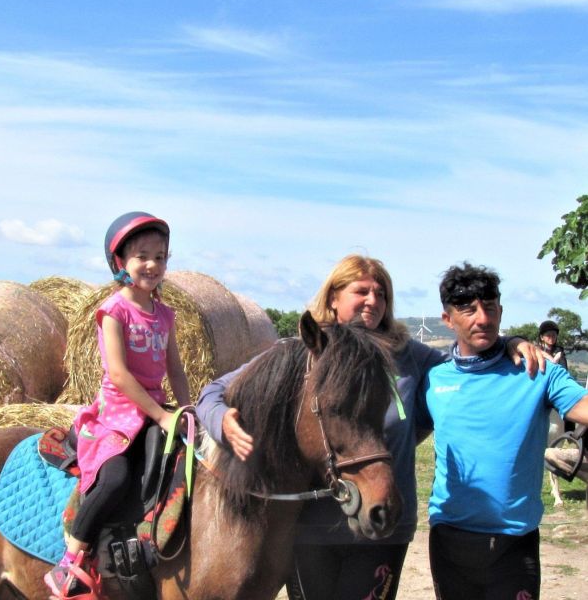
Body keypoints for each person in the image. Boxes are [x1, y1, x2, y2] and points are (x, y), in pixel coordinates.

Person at [196, 254, 543, 600]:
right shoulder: (301, 352)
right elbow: (212, 392)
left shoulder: (409, 355)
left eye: (382, 294)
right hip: (311, 525)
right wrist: (222, 421)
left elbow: (468, 362)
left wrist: (510, 342)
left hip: (384, 524)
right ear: (333, 297)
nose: (373, 301)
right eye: (361, 291)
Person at [418, 263, 588, 600]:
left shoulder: (537, 371)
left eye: (490, 306)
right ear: (447, 319)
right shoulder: (435, 380)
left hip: (515, 543)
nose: (482, 318)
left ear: (500, 310)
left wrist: (516, 342)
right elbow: (399, 436)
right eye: (467, 309)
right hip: (450, 539)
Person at [44, 211, 191, 600]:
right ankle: (71, 561)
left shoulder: (165, 315)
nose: (152, 265)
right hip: (119, 414)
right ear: (121, 262)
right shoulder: (114, 310)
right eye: (142, 255)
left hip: (156, 408)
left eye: (160, 256)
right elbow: (122, 375)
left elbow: (174, 367)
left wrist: (190, 411)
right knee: (115, 478)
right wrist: (160, 414)